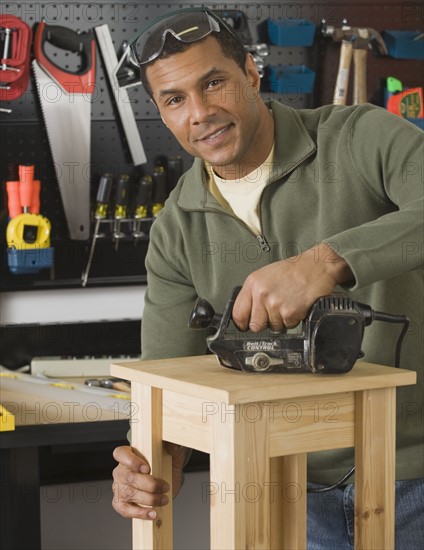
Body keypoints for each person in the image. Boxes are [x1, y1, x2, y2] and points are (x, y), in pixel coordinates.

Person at [111, 8, 423, 548]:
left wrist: (324, 262)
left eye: (214, 83)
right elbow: (166, 383)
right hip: (282, 488)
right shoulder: (175, 229)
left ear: (252, 75)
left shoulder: (358, 137)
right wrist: (148, 465)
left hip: (411, 474)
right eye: (175, 99)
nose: (201, 112)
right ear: (163, 115)